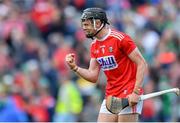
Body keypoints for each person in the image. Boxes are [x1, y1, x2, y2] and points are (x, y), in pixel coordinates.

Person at [65, 7, 148, 122]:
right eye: (83, 25)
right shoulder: (94, 46)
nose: (84, 28)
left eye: (87, 25)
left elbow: (142, 63)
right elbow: (93, 76)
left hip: (129, 93)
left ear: (98, 23)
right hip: (111, 96)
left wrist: (136, 92)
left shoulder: (120, 39)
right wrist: (75, 68)